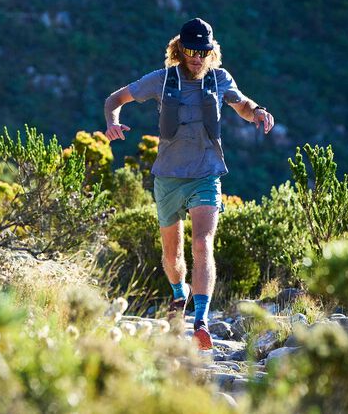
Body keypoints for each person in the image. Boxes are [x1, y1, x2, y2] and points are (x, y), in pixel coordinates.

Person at [103, 18, 274, 350]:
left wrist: (260, 113)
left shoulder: (220, 79)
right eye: (191, 50)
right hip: (167, 176)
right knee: (171, 255)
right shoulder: (161, 79)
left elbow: (243, 105)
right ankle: (179, 294)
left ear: (211, 53)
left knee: (202, 244)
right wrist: (112, 123)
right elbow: (114, 99)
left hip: (206, 174)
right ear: (179, 50)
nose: (196, 57)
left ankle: (201, 320)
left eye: (203, 51)